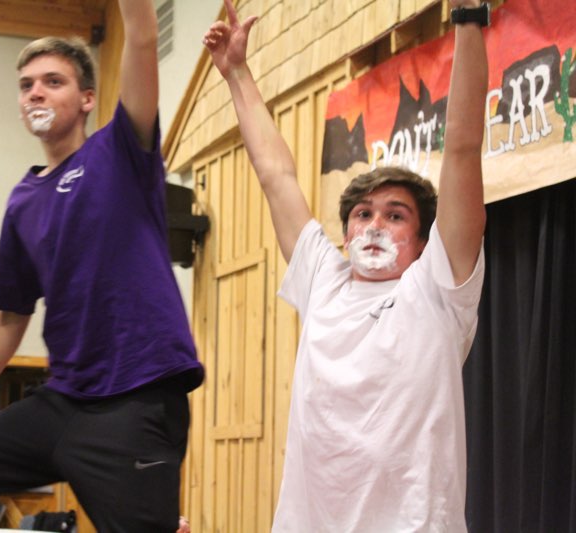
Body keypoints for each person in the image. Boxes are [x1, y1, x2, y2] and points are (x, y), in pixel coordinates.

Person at [0, 1, 204, 531]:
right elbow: (10, 314)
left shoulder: (120, 151)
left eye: (52, 81)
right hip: (62, 399)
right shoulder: (24, 199)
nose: (35, 93)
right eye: (26, 85)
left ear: (88, 98)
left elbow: (139, 35)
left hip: (135, 398)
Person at [204, 0, 488, 530]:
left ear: (424, 242)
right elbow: (276, 174)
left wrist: (469, 18)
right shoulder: (322, 280)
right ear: (346, 233)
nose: (375, 225)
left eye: (396, 215)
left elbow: (464, 150)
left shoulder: (438, 288)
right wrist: (236, 73)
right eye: (362, 214)